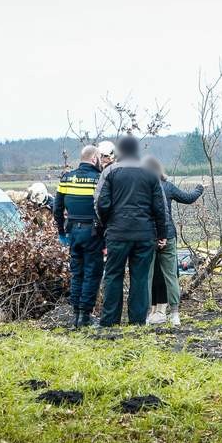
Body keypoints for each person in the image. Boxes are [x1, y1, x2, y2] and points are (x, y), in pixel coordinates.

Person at [94, 135, 167, 327]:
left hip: (117, 233)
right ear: (137, 151)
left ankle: (110, 320)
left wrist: (106, 225)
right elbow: (160, 207)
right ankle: (137, 321)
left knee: (113, 275)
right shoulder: (150, 173)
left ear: (119, 152)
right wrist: (162, 234)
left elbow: (101, 203)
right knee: (141, 278)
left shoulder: (109, 172)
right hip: (144, 235)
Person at [141, 155, 204, 326]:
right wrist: (200, 188)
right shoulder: (167, 187)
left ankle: (146, 315)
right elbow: (188, 198)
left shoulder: (142, 189)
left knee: (147, 277)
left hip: (148, 237)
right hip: (168, 235)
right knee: (171, 276)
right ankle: (175, 314)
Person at [53, 145, 104, 328]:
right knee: (92, 273)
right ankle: (85, 316)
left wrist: (61, 231)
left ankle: (75, 316)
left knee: (77, 273)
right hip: (93, 233)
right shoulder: (98, 179)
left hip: (73, 231)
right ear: (93, 159)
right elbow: (104, 209)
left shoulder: (66, 178)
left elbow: (57, 208)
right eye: (99, 157)